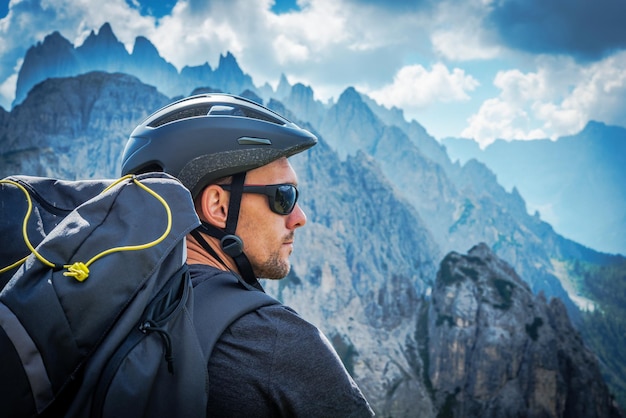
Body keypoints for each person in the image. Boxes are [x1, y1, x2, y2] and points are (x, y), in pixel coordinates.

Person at [121, 93, 374, 417]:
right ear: (218, 206)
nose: (299, 217)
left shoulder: (116, 303)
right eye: (283, 196)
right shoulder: (277, 342)